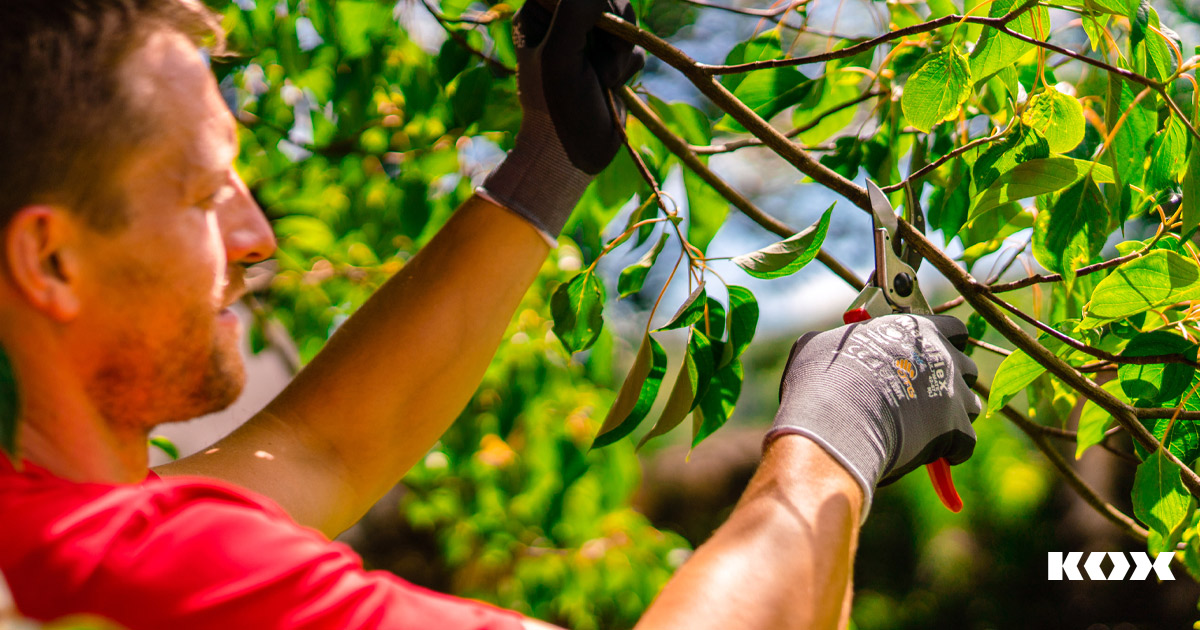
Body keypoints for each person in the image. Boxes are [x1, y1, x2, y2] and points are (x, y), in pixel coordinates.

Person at [0, 0, 981, 629]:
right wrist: (835, 439)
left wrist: (549, 162)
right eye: (204, 191)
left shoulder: (42, 531)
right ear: (51, 260)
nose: (257, 237)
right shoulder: (148, 574)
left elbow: (319, 454)